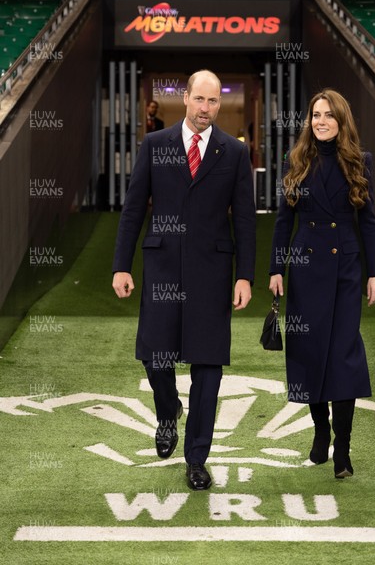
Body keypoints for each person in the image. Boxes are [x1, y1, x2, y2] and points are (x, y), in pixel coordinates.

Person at [112, 69, 256, 491]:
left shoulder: (232, 153)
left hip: (212, 274)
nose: (206, 108)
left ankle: (196, 458)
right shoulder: (156, 145)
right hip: (161, 269)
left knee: (208, 366)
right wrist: (121, 265)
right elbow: (134, 208)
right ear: (185, 98)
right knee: (155, 355)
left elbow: (245, 221)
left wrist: (245, 276)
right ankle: (167, 409)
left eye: (214, 101)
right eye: (200, 100)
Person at [269, 89, 375, 479]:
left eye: (328, 115)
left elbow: (368, 222)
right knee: (309, 352)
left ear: (341, 120)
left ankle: (343, 448)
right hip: (305, 267)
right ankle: (320, 429)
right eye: (315, 115)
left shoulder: (360, 162)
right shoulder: (296, 159)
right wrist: (275, 269)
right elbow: (284, 221)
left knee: (343, 356)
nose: (320, 121)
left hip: (346, 270)